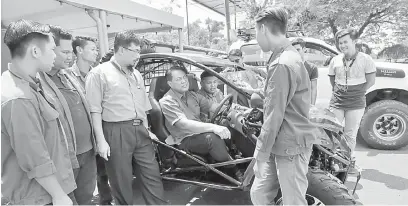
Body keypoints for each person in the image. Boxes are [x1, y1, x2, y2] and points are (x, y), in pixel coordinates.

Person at [85, 31, 167, 205]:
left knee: (152, 175)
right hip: (116, 131)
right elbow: (94, 110)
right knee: (121, 180)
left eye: (139, 51)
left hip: (140, 131)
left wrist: (147, 129)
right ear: (121, 50)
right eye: (135, 51)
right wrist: (101, 141)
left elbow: (143, 106)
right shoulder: (99, 74)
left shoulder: (135, 73)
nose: (138, 55)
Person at [1, 19, 76, 205]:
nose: (54, 55)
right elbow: (34, 157)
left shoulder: (31, 84)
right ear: (35, 51)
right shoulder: (18, 97)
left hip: (53, 189)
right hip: (41, 197)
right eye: (51, 49)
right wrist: (59, 195)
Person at [250, 7, 318, 205]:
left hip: (290, 144)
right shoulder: (286, 55)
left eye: (255, 32)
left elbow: (273, 115)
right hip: (280, 141)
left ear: (262, 29)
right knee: (259, 194)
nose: (256, 37)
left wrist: (260, 155)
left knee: (293, 201)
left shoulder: (282, 63)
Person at [37, 25, 98, 205]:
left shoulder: (69, 75)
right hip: (64, 159)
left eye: (70, 51)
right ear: (48, 50)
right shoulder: (36, 82)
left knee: (85, 197)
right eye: (64, 52)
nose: (70, 56)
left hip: (87, 151)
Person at [159, 66, 244, 180]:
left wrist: (238, 111)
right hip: (185, 139)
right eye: (179, 79)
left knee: (228, 122)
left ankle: (240, 157)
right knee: (212, 138)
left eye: (184, 77)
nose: (184, 81)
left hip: (198, 133)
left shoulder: (192, 95)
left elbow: (213, 106)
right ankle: (233, 170)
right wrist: (213, 127)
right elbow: (182, 124)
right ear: (170, 83)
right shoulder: (167, 101)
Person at [328, 28, 376, 173]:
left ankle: (346, 163)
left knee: (350, 134)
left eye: (345, 42)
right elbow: (332, 79)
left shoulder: (366, 59)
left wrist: (356, 92)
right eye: (340, 43)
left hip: (356, 103)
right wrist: (340, 92)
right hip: (337, 101)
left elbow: (371, 81)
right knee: (332, 131)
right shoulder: (335, 60)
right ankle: (330, 161)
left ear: (354, 42)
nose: (342, 45)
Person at [293, 38, 319, 105]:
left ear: (304, 49)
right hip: (292, 104)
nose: (296, 52)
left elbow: (313, 88)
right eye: (294, 50)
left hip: (305, 104)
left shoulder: (312, 68)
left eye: (298, 50)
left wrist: (312, 105)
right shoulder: (289, 67)